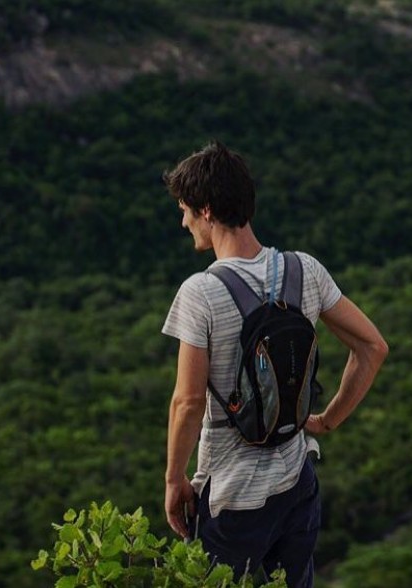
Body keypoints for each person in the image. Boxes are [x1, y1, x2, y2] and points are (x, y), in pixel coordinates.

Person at [160, 141, 388, 587]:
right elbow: (372, 347)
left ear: (206, 210)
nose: (183, 221)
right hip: (297, 485)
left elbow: (187, 401)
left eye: (185, 210)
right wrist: (327, 421)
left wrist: (174, 480)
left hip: (232, 499)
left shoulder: (199, 293)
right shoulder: (304, 270)